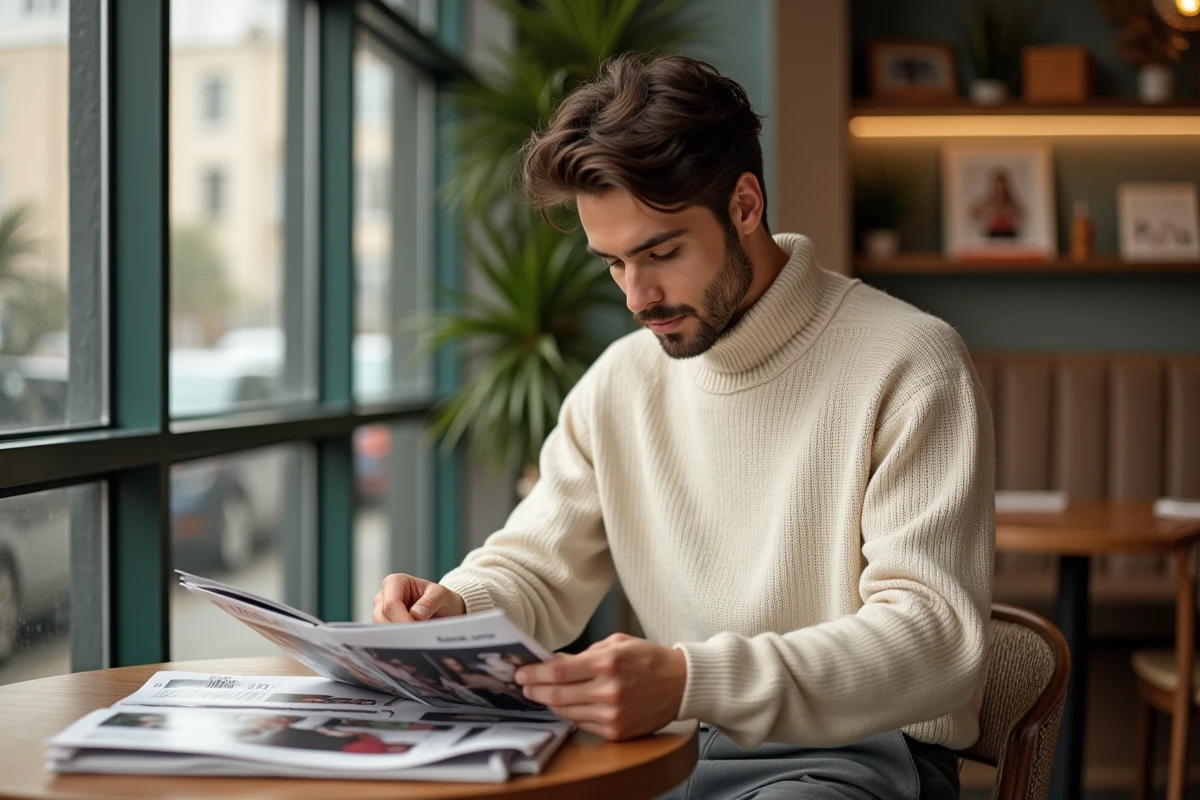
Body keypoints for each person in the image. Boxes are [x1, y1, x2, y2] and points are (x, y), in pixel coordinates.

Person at [373, 53, 993, 800]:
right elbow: (537, 568)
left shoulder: (911, 363)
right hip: (663, 752)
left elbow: (936, 642)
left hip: (855, 757)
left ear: (744, 205)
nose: (638, 296)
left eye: (661, 253)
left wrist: (690, 679)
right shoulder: (619, 382)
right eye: (612, 263)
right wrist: (456, 606)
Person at [971, 168, 1024, 239]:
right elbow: (975, 213)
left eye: (1002, 186)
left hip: (1009, 234)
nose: (1000, 190)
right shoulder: (989, 201)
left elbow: (1021, 215)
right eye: (998, 186)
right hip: (993, 234)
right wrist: (987, 218)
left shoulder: (1012, 203)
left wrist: (1012, 219)